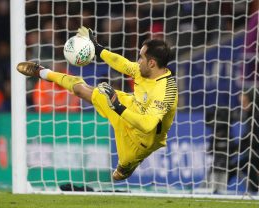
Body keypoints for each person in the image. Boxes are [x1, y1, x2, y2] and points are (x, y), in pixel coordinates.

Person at [17, 26, 178, 181]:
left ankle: (127, 166)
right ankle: (43, 72)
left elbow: (148, 124)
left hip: (142, 140)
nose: (138, 61)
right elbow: (122, 63)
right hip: (131, 107)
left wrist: (118, 107)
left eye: (141, 57)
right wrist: (98, 48)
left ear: (151, 63)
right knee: (82, 90)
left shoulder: (166, 91)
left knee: (119, 175)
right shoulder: (144, 70)